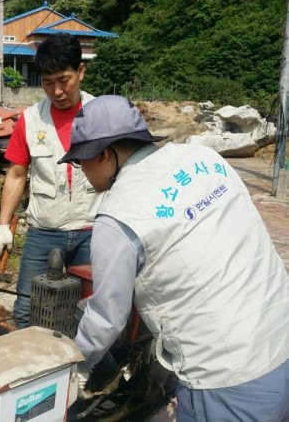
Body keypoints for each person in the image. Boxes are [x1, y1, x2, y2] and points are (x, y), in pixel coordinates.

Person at [58, 95, 289, 420]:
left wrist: (75, 367)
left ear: (104, 154)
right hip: (280, 337)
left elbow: (107, 318)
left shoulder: (118, 215)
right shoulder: (205, 159)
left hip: (227, 379)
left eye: (80, 160)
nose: (80, 170)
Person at [0, 33, 103, 328]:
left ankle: (84, 372)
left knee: (91, 312)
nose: (56, 91)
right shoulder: (29, 120)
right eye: (47, 82)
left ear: (80, 71)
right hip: (44, 231)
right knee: (27, 310)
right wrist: (4, 225)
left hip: (93, 230)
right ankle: (34, 372)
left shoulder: (103, 115)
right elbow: (17, 174)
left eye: (63, 80)